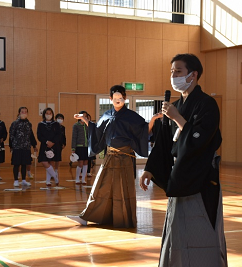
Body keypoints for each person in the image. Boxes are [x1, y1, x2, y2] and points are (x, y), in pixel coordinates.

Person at [139, 54, 227, 266]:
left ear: (193, 74)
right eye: (172, 71)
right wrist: (150, 169)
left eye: (178, 71)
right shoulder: (176, 105)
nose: (173, 75)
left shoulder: (207, 104)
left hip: (201, 179)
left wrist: (178, 118)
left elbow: (201, 139)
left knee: (200, 230)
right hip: (180, 177)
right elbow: (164, 144)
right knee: (177, 229)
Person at [67, 85, 161, 228]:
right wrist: (85, 120)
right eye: (115, 98)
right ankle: (86, 216)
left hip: (125, 158)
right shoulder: (106, 115)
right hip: (110, 157)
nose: (118, 100)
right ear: (110, 99)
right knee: (99, 187)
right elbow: (97, 131)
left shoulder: (131, 116)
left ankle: (125, 220)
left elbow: (144, 131)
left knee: (123, 189)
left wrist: (153, 119)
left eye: (121, 97)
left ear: (125, 98)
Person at [9, 107, 38, 187]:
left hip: (26, 147)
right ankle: (16, 180)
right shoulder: (15, 123)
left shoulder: (29, 124)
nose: (24, 113)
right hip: (17, 147)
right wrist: (11, 146)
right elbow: (11, 135)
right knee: (16, 164)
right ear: (19, 113)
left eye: (25, 112)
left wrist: (34, 145)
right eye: (22, 112)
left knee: (24, 164)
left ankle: (24, 180)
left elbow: (31, 135)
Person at [37, 107, 61, 186]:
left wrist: (53, 142)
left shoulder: (56, 124)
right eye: (47, 113)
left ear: (52, 114)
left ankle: (48, 181)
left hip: (54, 145)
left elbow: (58, 134)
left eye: (50, 113)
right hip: (44, 145)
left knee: (51, 162)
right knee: (44, 161)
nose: (48, 115)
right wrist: (46, 141)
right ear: (44, 114)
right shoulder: (40, 124)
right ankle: (55, 177)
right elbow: (39, 135)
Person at [71, 111, 89, 184]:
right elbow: (74, 137)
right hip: (79, 146)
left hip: (87, 146)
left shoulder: (87, 125)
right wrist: (73, 148)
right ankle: (77, 178)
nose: (83, 118)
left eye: (85, 116)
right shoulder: (76, 125)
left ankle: (83, 179)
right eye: (82, 116)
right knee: (80, 163)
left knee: (85, 162)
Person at [53, 113, 66, 179]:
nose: (60, 120)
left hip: (59, 144)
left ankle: (56, 170)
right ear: (55, 119)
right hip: (53, 144)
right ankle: (51, 171)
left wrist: (64, 143)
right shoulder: (53, 126)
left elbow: (64, 136)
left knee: (58, 158)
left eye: (61, 118)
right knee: (52, 158)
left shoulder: (63, 128)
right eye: (58, 118)